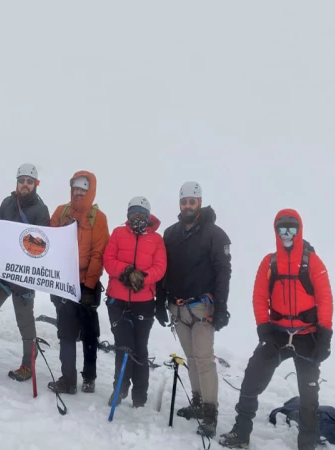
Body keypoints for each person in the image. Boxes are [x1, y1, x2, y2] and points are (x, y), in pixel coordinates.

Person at [218, 209, 333, 450]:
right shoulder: (269, 263)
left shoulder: (312, 262)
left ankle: (307, 444)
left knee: (309, 394)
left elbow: (325, 299)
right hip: (276, 335)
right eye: (282, 229)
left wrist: (324, 336)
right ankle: (241, 434)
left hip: (307, 335)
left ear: (299, 230)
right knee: (252, 379)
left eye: (292, 229)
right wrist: (264, 332)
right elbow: (259, 297)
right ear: (276, 231)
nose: (287, 234)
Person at [155, 181, 232, 437]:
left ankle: (210, 413)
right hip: (177, 308)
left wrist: (221, 308)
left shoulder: (215, 235)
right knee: (191, 358)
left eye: (192, 201)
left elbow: (223, 273)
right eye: (184, 201)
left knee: (204, 359)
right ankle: (198, 402)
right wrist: (159, 300)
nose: (187, 206)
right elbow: (163, 270)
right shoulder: (170, 234)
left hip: (202, 309)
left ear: (200, 202)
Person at [0, 163, 50, 381]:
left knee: (25, 322)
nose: (25, 185)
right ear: (17, 183)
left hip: (24, 276)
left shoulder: (41, 210)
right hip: (3, 274)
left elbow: (41, 246)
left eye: (29, 181)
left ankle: (28, 365)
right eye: (22, 181)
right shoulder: (8, 203)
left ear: (36, 184)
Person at [47, 171, 109, 394]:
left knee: (89, 333)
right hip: (64, 282)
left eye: (83, 188)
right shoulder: (61, 212)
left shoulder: (98, 218)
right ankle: (68, 379)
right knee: (66, 332)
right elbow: (49, 241)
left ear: (90, 190)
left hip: (86, 284)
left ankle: (89, 377)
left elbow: (98, 252)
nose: (79, 192)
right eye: (76, 188)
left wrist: (90, 285)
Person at [103, 196, 166, 408]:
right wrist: (127, 271)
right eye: (133, 213)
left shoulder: (156, 240)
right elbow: (108, 260)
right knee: (123, 347)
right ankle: (120, 389)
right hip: (118, 301)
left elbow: (160, 267)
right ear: (128, 215)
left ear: (148, 216)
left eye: (141, 214)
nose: (137, 217)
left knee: (140, 348)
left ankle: (140, 395)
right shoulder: (118, 233)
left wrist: (142, 278)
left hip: (144, 302)